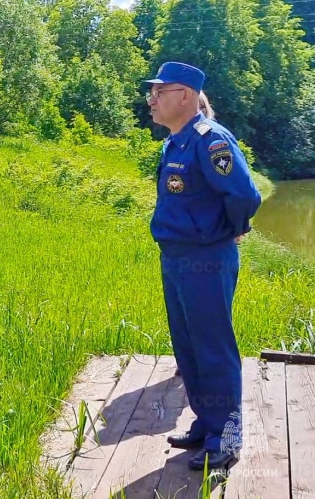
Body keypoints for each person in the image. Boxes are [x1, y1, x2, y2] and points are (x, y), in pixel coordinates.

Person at [145, 62, 261, 470]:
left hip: (206, 258)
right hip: (175, 255)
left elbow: (245, 195)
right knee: (188, 345)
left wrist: (232, 229)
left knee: (212, 345)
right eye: (151, 93)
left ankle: (226, 436)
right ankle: (205, 423)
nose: (152, 100)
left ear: (187, 96)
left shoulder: (211, 141)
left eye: (160, 92)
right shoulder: (174, 142)